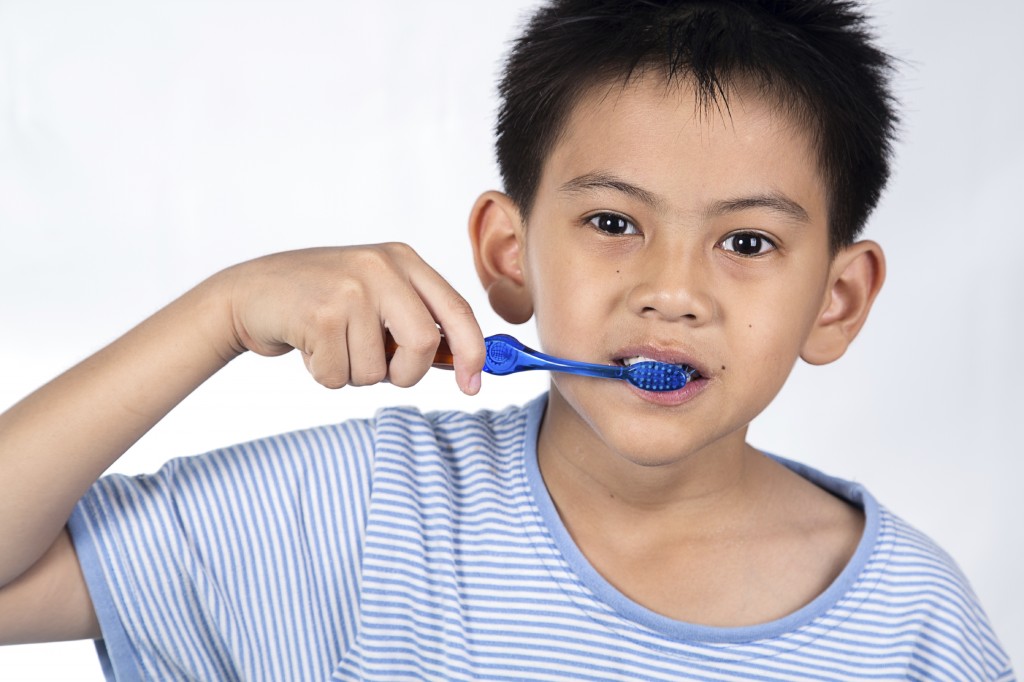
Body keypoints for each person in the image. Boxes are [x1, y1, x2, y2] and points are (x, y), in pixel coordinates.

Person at [0, 0, 1013, 679]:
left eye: (745, 241)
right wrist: (217, 312)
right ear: (508, 254)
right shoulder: (360, 512)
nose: (672, 292)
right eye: (614, 223)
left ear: (835, 300)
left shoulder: (909, 622)